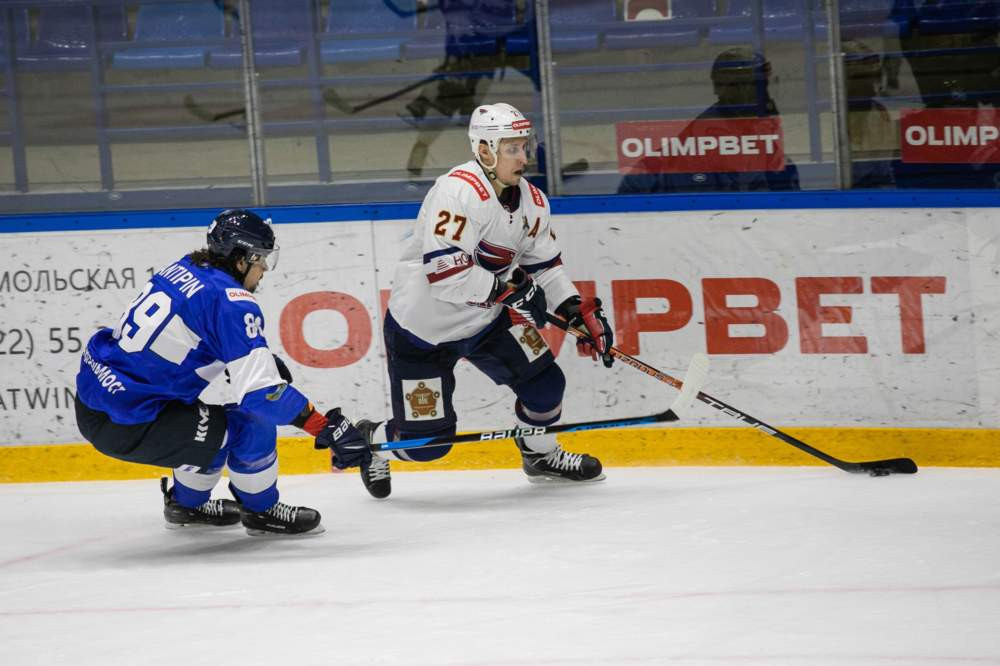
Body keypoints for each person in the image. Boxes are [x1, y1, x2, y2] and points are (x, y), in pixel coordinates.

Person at [354, 102, 615, 499]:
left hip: (487, 322)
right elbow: (446, 273)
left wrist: (573, 308)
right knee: (427, 447)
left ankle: (540, 454)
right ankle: (374, 439)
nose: (524, 158)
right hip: (422, 331)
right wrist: (512, 292)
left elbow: (545, 266)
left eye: (525, 147)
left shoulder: (534, 202)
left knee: (545, 385)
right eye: (512, 148)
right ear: (486, 150)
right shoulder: (457, 191)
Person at [74, 209, 373, 536]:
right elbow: (263, 396)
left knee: (210, 427)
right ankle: (262, 512)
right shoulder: (233, 301)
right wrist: (324, 426)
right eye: (260, 261)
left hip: (97, 398)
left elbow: (188, 331)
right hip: (128, 421)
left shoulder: (185, 267)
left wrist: (247, 354)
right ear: (241, 259)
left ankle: (186, 505)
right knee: (248, 425)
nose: (263, 272)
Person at [618, 47, 800, 194]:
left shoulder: (758, 125)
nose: (751, 91)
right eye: (739, 84)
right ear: (719, 87)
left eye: (758, 84)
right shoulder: (710, 132)